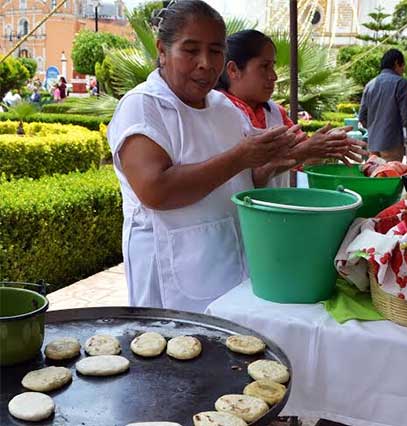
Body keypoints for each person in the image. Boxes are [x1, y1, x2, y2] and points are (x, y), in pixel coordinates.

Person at [106, 0, 299, 313]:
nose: (206, 63)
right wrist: (240, 157)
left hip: (227, 266)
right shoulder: (143, 106)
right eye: (191, 50)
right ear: (162, 50)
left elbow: (244, 179)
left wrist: (276, 159)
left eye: (216, 50)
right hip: (170, 277)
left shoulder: (224, 109)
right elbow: (155, 190)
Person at [215, 29, 366, 183]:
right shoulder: (218, 112)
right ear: (233, 70)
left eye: (272, 66)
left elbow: (303, 159)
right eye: (264, 66)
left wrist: (326, 145)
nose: (273, 76)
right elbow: (251, 178)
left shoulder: (276, 112)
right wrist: (306, 150)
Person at [359, 48, 407, 162]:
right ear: (396, 63)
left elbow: (362, 117)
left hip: (373, 144)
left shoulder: (370, 84)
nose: (403, 70)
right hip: (392, 143)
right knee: (390, 177)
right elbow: (406, 117)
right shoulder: (400, 83)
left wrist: (373, 129)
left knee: (374, 176)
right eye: (402, 65)